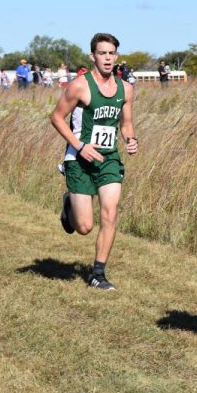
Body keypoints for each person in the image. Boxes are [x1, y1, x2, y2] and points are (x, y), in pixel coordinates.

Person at [50, 33, 138, 291]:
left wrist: (131, 140)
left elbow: (127, 124)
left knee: (110, 212)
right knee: (85, 226)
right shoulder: (80, 85)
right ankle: (69, 206)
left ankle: (98, 273)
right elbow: (56, 118)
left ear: (116, 56)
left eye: (111, 53)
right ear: (93, 56)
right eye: (102, 53)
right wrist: (79, 146)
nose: (107, 58)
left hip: (109, 158)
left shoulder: (126, 89)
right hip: (79, 159)